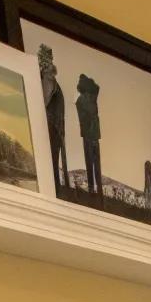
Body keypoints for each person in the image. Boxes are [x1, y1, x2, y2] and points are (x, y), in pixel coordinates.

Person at [37, 44, 68, 191]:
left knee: (50, 164)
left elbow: (41, 103)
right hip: (55, 128)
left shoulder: (47, 79)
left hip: (51, 128)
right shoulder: (50, 79)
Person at [75, 73, 102, 197]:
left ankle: (92, 188)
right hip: (95, 136)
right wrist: (89, 80)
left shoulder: (80, 100)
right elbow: (97, 87)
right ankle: (99, 188)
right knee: (96, 163)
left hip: (87, 136)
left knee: (89, 163)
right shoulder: (93, 98)